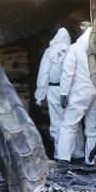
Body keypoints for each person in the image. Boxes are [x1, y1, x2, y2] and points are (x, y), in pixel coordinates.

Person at [57, 22, 96, 166]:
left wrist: (63, 93)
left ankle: (64, 158)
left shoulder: (76, 48)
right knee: (92, 127)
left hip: (80, 92)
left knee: (69, 125)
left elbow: (67, 73)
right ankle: (91, 161)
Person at [35, 26, 84, 161]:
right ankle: (78, 154)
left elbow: (43, 74)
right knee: (74, 122)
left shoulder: (50, 51)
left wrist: (39, 95)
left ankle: (59, 155)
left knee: (57, 122)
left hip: (55, 90)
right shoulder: (74, 49)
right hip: (73, 89)